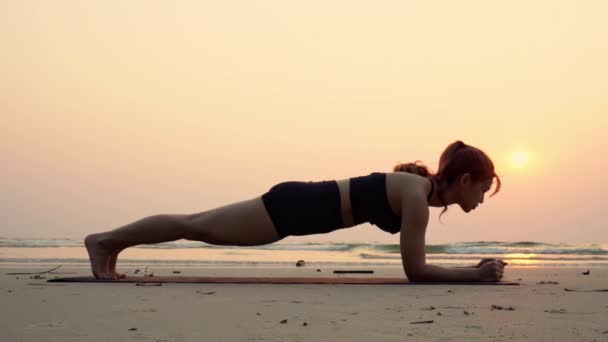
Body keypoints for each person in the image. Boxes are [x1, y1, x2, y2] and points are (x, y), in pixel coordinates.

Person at [85, 140, 507, 281]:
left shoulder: (420, 194)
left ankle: (112, 246)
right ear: (465, 179)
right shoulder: (417, 195)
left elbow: (418, 266)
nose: (482, 199)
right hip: (293, 208)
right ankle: (104, 241)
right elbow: (416, 271)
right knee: (195, 226)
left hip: (298, 210)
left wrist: (474, 272)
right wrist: (475, 274)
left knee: (196, 226)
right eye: (484, 188)